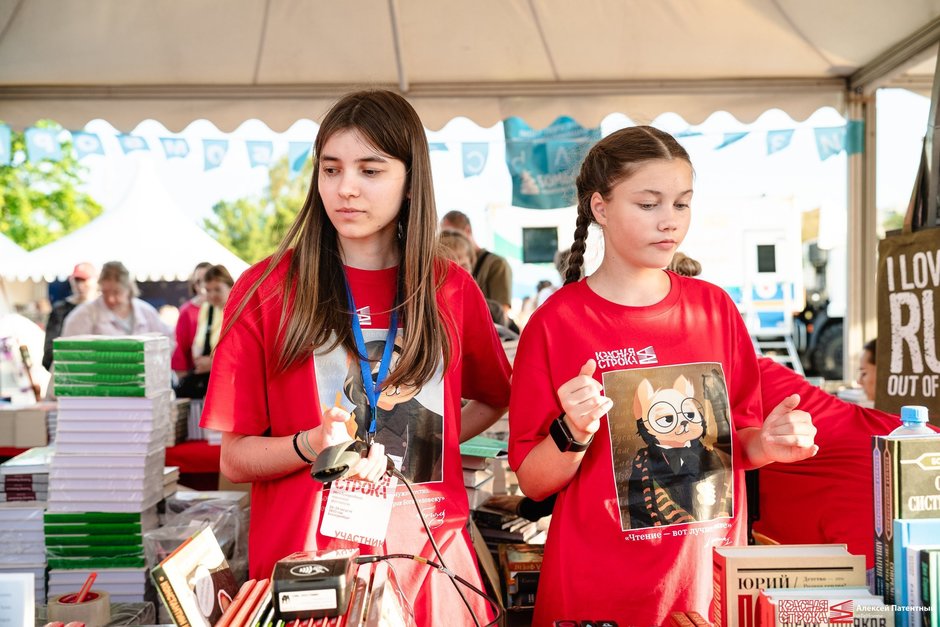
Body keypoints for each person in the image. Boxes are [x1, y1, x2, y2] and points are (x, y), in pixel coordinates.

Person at [200, 90, 511, 624]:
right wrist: (311, 444)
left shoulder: (450, 288)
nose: (346, 187)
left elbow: (494, 397)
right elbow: (235, 457)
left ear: (410, 181)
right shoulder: (266, 289)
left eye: (370, 170)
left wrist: (420, 438)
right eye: (331, 169)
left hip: (428, 564)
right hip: (310, 574)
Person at [508, 126, 817, 625]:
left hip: (705, 589)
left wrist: (771, 443)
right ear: (600, 208)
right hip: (596, 591)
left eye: (682, 203)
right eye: (649, 204)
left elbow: (739, 444)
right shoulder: (555, 323)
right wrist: (574, 430)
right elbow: (533, 482)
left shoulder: (714, 310)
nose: (669, 220)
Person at [61, 261, 173, 343]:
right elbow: (68, 352)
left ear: (128, 289)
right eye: (105, 292)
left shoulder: (147, 313)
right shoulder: (83, 315)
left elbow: (167, 342)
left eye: (117, 292)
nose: (111, 299)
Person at [176, 264, 233, 399]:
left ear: (230, 287)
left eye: (217, 289)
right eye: (208, 290)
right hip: (209, 379)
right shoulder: (207, 308)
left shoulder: (238, 310)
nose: (212, 295)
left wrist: (214, 363)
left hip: (229, 380)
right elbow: (197, 343)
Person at [440, 210, 513, 311]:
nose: (447, 241)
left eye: (453, 234)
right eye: (444, 235)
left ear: (468, 230)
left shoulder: (496, 264)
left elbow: (502, 312)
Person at [42, 262, 96, 371]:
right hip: (68, 371)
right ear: (71, 281)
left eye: (84, 280)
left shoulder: (103, 309)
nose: (80, 286)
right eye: (77, 280)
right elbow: (50, 350)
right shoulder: (60, 310)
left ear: (95, 280)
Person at [172, 262, 212, 380]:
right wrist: (185, 381)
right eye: (199, 281)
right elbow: (179, 348)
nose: (204, 285)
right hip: (197, 376)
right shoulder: (187, 311)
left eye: (208, 279)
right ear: (194, 285)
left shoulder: (226, 307)